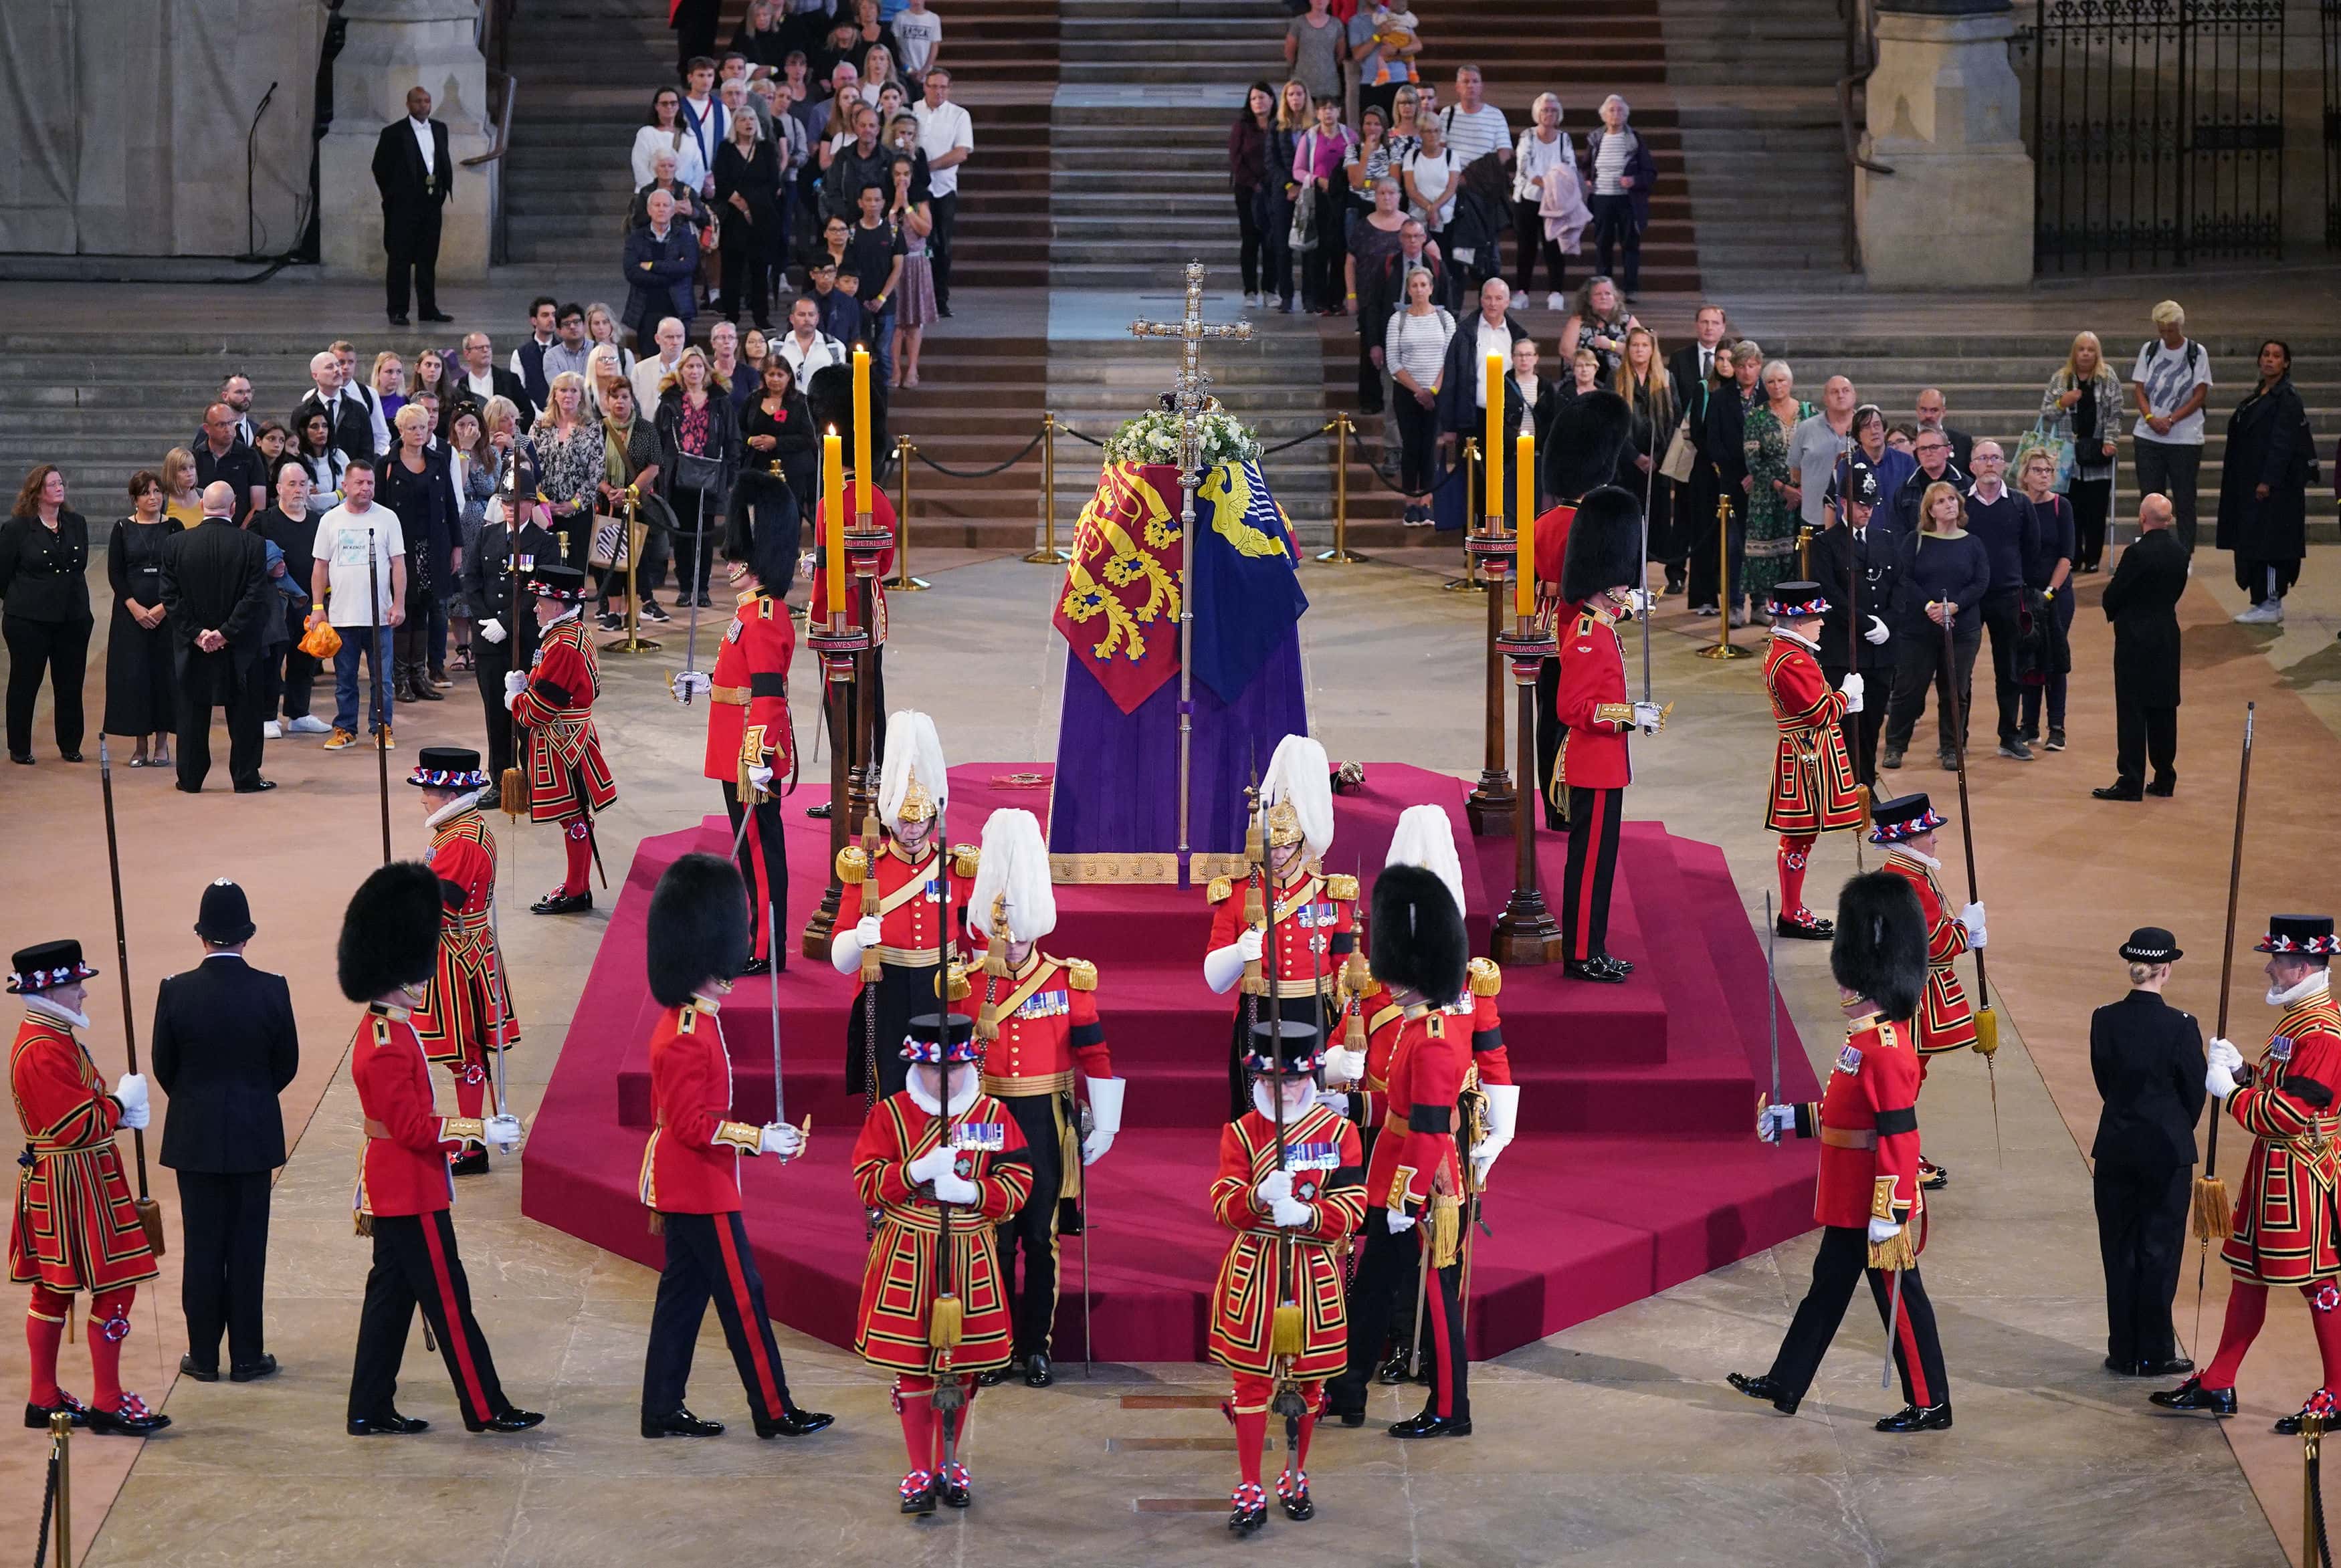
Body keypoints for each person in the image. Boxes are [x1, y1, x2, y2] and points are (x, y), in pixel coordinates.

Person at [1732, 870, 1952, 1433]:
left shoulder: (1884, 1048)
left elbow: (1900, 1135)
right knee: (1826, 1290)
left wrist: (1892, 1207)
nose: (1841, 987)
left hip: (1877, 1200)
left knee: (1901, 1302)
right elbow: (1845, 1117)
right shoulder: (1862, 1041)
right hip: (1854, 1193)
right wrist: (1791, 1120)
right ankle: (1786, 1381)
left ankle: (1931, 1402)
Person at [1329, 808, 1514, 1440]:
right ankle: (1348, 1387)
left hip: (1424, 1187)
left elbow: (1434, 1130)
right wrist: (1350, 1109)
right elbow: (1398, 1109)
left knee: (1438, 1301)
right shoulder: (1418, 1023)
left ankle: (1449, 1407)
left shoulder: (1434, 1036)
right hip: (1396, 1174)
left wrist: (1409, 1194)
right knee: (1374, 1285)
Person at [635, 852, 833, 1442]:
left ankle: (661, 1409)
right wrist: (758, 1139)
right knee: (744, 1298)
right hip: (699, 1185)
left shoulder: (691, 1019)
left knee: (682, 1298)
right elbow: (693, 1126)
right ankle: (773, 1410)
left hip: (691, 1180)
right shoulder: (687, 1036)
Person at [338, 863, 534, 1438]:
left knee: (390, 1305)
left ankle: (368, 1406)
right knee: (450, 1302)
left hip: (403, 1185)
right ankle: (486, 1406)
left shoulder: (390, 1028)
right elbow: (414, 1129)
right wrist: (480, 1130)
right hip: (409, 1187)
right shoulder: (387, 1043)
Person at [2154, 913, 2341, 1434]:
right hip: (2275, 1173)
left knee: (2318, 1282)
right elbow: (2280, 1085)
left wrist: (2231, 1093)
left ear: (2302, 965)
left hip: (2303, 1177)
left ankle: (2340, 1391)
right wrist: (2242, 1072)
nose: (2269, 972)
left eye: (2276, 962)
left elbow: (2287, 1113)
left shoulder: (2323, 1032)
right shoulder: (2297, 1019)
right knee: (2249, 1274)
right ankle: (2219, 1379)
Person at [955, 809, 1123, 1389]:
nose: (1015, 939)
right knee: (995, 1236)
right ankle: (997, 1343)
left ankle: (1037, 1346)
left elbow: (1094, 1054)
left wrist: (1105, 1123)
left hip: (1046, 1121)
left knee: (1039, 1236)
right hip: (991, 1121)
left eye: (1023, 928)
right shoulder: (967, 981)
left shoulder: (1066, 978)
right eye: (1006, 929)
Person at [850, 1009, 1031, 1513]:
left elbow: (1019, 1184)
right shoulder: (889, 1114)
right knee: (913, 1369)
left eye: (955, 1068)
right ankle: (919, 1467)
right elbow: (867, 1181)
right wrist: (913, 1172)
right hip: (909, 1255)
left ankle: (950, 1463)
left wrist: (974, 1190)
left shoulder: (994, 1115)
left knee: (965, 1365)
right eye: (936, 1069)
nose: (947, 1078)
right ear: (918, 1065)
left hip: (971, 1253)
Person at [8, 937, 167, 1435]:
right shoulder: (42, 1049)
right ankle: (107, 1400)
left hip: (68, 1180)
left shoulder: (53, 1036)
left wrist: (114, 1112)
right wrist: (120, 1106)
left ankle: (44, 1396)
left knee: (52, 1290)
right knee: (116, 1281)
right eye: (76, 984)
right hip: (76, 1185)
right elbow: (77, 1123)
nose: (83, 993)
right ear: (52, 991)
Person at [1215, 1016, 1362, 1532]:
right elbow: (1222, 1205)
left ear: (1311, 1078)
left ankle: (1295, 1473)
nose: (1284, 1089)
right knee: (1250, 1386)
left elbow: (1355, 1204)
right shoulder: (1240, 1131)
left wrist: (1313, 1214)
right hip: (1255, 1271)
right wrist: (1256, 1196)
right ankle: (1250, 1483)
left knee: (1312, 1383)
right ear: (1258, 1079)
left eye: (1294, 1079)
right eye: (1274, 1081)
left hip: (1313, 1271)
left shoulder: (1339, 1133)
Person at [150, 879, 297, 1383]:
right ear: (246, 935)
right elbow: (287, 1064)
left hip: (194, 1137)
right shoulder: (272, 987)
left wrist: (198, 1102)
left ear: (202, 935)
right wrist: (253, 1097)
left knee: (203, 1246)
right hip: (254, 1135)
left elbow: (164, 1066)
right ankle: (248, 1354)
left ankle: (204, 1355)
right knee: (247, 1247)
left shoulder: (175, 989)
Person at [1201, 736, 1359, 1115]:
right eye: (1273, 847)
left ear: (1301, 845)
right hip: (1262, 1009)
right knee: (1256, 1108)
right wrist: (1240, 952)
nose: (1279, 856)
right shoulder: (1237, 895)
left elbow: (1345, 967)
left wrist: (1349, 1020)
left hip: (1315, 1009)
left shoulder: (1329, 894)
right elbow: (1214, 979)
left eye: (1287, 848)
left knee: (1315, 1108)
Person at [670, 500, 797, 972]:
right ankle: (759, 938)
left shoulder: (763, 615)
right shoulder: (750, 611)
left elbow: (768, 692)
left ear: (754, 562)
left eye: (735, 557)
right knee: (751, 852)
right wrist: (706, 682)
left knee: (760, 853)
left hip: (750, 752)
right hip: (738, 747)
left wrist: (761, 754)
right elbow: (742, 680)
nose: (728, 565)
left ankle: (767, 946)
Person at [830, 712, 977, 1099]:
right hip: (887, 985)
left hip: (941, 988)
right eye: (903, 822)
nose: (911, 831)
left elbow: (978, 941)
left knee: (943, 1084)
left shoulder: (956, 868)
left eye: (919, 822)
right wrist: (857, 939)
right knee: (889, 1080)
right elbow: (839, 960)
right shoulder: (866, 870)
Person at [1552, 487, 1664, 982]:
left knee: (1601, 868)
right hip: (1592, 768)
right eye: (1621, 587)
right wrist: (1628, 715)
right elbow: (1572, 707)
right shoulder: (1584, 636)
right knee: (1589, 865)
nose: (1626, 593)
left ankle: (1592, 947)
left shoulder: (1600, 626)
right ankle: (1580, 954)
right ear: (1604, 585)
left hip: (1607, 768)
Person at [2090, 926, 2203, 1377]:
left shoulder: (2104, 1018)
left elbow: (2104, 1080)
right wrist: (2173, 1126)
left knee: (2118, 1251)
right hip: (2166, 1152)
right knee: (2159, 1251)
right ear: (2167, 969)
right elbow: (2194, 1092)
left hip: (2115, 1147)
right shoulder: (2181, 1025)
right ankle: (2155, 1350)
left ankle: (2122, 1349)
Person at [405, 746, 518, 1175]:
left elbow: (441, 906)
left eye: (430, 790)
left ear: (452, 793)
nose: (423, 798)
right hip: (466, 948)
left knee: (464, 1053)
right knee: (469, 1051)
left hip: (456, 955)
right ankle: (472, 1138)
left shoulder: (460, 840)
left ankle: (471, 1145)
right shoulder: (459, 828)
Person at [505, 563, 616, 915]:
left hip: (561, 742)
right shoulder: (571, 633)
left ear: (559, 604)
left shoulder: (562, 644)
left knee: (573, 816)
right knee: (577, 816)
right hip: (575, 735)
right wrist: (531, 681)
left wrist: (517, 700)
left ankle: (576, 889)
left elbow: (541, 709)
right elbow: (583, 687)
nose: (535, 608)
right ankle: (576, 886)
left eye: (541, 601)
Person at [1869, 792, 1985, 1116]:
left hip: (1895, 988)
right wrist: (1964, 928)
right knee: (1907, 1074)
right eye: (1927, 833)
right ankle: (1895, 1143)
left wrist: (1962, 930)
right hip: (1914, 998)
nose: (1935, 840)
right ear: (1908, 839)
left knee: (1907, 1073)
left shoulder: (1898, 874)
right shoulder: (1910, 883)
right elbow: (1937, 945)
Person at [1763, 582, 1866, 939]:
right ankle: (1790, 913)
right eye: (1816, 617)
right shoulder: (1791, 659)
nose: (1821, 623)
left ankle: (1793, 909)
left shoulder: (1788, 650)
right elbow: (1819, 713)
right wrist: (1845, 695)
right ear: (1798, 622)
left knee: (1800, 839)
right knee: (1798, 837)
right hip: (1806, 757)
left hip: (1805, 753)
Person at [158, 482, 272, 794]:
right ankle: (246, 777)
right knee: (245, 714)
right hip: (241, 647)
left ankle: (190, 779)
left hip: (193, 648)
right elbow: (255, 597)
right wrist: (226, 633)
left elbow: (169, 597)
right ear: (233, 507)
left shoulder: (175, 545)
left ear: (202, 507)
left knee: (192, 714)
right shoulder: (254, 545)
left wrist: (197, 634)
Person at [1881, 481, 1988, 772]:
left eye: (1952, 499)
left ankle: (1952, 748)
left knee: (1955, 690)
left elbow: (1980, 582)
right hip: (1918, 628)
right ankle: (1895, 746)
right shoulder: (1915, 541)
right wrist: (1930, 607)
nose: (1949, 504)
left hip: (1962, 629)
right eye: (1941, 502)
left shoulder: (1973, 543)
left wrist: (1954, 606)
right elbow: (1904, 579)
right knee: (1908, 689)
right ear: (1930, 510)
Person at [2095, 492, 2189, 801]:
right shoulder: (2180, 551)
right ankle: (2164, 777)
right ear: (2170, 519)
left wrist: (2114, 608)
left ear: (2142, 518)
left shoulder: (2136, 553)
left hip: (2136, 639)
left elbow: (2115, 594)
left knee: (2133, 708)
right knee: (2164, 706)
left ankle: (2131, 780)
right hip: (2167, 635)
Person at [1809, 459, 1898, 789]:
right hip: (1844, 651)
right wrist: (1864, 623)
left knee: (1873, 720)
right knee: (1846, 723)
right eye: (1862, 504)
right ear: (1845, 503)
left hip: (1878, 654)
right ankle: (1845, 786)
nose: (1868, 512)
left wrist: (1886, 623)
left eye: (1872, 505)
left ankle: (1866, 783)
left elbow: (1899, 587)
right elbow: (1829, 594)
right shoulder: (1826, 544)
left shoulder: (1885, 540)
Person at [308, 461, 405, 751]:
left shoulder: (388, 518)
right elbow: (320, 566)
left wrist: (398, 603)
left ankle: (382, 728)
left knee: (382, 680)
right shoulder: (330, 520)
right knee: (345, 679)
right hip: (342, 616)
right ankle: (345, 729)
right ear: (345, 486)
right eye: (360, 483)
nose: (366, 488)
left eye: (370, 483)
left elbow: (398, 564)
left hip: (380, 617)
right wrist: (317, 606)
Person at [0, 466, 93, 767]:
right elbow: (3, 574)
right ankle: (20, 747)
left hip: (72, 618)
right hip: (29, 620)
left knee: (70, 683)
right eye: (52, 484)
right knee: (25, 682)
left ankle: (70, 744)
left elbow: (79, 567)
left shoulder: (76, 524)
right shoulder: (17, 529)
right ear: (37, 491)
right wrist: (22, 601)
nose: (59, 487)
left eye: (61, 483)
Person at [2218, 339, 2311, 626]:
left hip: (2274, 489)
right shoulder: (2260, 395)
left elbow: (2282, 444)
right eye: (2266, 355)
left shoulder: (2287, 398)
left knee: (2271, 544)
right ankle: (2260, 600)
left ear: (2286, 363)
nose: (2270, 360)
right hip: (2249, 483)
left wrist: (2268, 481)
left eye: (2277, 356)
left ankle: (2271, 601)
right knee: (2253, 542)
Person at [1959, 440, 2040, 762]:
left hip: (2008, 596)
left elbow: (2032, 552)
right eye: (1983, 458)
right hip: (1968, 598)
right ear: (1972, 466)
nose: (1990, 463)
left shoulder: (2021, 504)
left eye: (1996, 458)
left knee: (2009, 670)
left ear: (2005, 464)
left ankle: (2010, 736)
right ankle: (1955, 739)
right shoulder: (1961, 505)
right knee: (1960, 669)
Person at [377, 405, 457, 706]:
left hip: (433, 546)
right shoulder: (387, 464)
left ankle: (418, 675)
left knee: (425, 609)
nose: (419, 433)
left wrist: (456, 546)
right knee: (404, 611)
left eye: (424, 427)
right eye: (413, 428)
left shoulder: (438, 460)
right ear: (401, 431)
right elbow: (380, 509)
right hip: (400, 549)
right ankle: (399, 679)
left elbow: (450, 504)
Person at [1434, 276, 1528, 525]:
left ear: (1508, 301)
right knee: (1474, 480)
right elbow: (1452, 378)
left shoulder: (1518, 335)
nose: (1493, 303)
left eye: (1499, 298)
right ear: (1481, 299)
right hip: (1473, 416)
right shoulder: (1465, 332)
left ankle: (1503, 532)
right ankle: (1474, 538)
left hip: (1506, 420)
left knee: (1504, 479)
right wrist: (1450, 426)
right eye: (1488, 297)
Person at [103, 472, 181, 768]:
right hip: (130, 616)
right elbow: (115, 572)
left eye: (158, 491)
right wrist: (134, 607)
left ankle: (162, 745)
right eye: (147, 492)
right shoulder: (122, 528)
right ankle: (140, 746)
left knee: (164, 675)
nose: (154, 497)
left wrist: (163, 608)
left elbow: (179, 571)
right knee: (135, 677)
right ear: (134, 498)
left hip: (166, 615)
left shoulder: (174, 527)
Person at [657, 346, 740, 608]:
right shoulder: (669, 401)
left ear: (706, 370)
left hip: (710, 475)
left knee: (704, 534)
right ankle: (685, 587)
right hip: (678, 477)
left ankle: (702, 588)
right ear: (680, 371)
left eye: (698, 366)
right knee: (682, 535)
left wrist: (730, 478)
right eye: (689, 367)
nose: (694, 371)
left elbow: (733, 440)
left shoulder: (720, 401)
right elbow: (660, 440)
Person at [2131, 300, 2214, 552]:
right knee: (2150, 497)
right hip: (2149, 436)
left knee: (2185, 497)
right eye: (2162, 330)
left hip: (2184, 439)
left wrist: (2171, 419)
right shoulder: (2150, 350)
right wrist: (2150, 418)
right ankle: (2150, 547)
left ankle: (2185, 551)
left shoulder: (2196, 352)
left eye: (2170, 330)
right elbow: (2139, 389)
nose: (2166, 335)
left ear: (2180, 326)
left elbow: (2200, 394)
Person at [2039, 331, 2124, 572]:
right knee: (2070, 510)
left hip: (2098, 452)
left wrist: (2110, 440)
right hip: (2068, 456)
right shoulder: (2060, 379)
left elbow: (2116, 412)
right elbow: (2047, 413)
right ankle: (2073, 556)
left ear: (2097, 353)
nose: (2086, 353)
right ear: (2074, 353)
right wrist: (2062, 403)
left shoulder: (2108, 378)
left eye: (2090, 349)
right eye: (2081, 349)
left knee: (2096, 511)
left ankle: (2094, 558)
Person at [372, 86, 455, 326]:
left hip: (431, 205)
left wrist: (442, 189)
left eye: (427, 101)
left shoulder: (440, 129)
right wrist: (394, 195)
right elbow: (380, 167)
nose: (423, 105)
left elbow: (441, 160)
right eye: (418, 101)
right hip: (403, 208)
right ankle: (398, 310)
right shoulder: (393, 133)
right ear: (408, 104)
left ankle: (428, 309)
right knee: (400, 259)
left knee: (428, 258)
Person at [256, 463, 329, 738]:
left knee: (305, 658)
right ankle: (266, 716)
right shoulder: (265, 521)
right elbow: (252, 557)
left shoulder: (318, 522)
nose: (298, 490)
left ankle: (299, 713)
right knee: (272, 660)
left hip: (309, 602)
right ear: (278, 489)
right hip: (274, 604)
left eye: (302, 484)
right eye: (292, 484)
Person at [2015, 447, 2076, 751]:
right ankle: (2028, 725)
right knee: (2027, 658)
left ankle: (2057, 726)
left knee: (2055, 659)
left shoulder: (2061, 507)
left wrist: (2049, 592)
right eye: (2037, 470)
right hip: (2024, 595)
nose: (2043, 476)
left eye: (2048, 471)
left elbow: (2067, 556)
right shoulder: (2016, 505)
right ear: (2024, 475)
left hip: (2057, 595)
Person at [1686, 342, 1752, 620]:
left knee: (1740, 541)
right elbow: (1702, 433)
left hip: (1740, 478)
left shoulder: (1753, 395)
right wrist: (1719, 462)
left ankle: (1749, 601)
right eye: (1721, 359)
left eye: (1731, 359)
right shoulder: (1708, 390)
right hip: (1710, 473)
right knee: (1712, 536)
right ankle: (1709, 597)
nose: (1726, 364)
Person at [593, 382, 665, 632]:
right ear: (607, 401)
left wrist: (630, 491)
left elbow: (654, 465)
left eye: (625, 396)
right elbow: (591, 465)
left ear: (632, 399)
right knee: (610, 558)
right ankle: (612, 612)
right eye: (615, 397)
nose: (620, 402)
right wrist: (609, 491)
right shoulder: (599, 429)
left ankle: (630, 613)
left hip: (637, 502)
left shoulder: (646, 429)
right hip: (607, 502)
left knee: (635, 559)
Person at [1382, 265, 1451, 525]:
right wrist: (1418, 390)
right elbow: (1393, 361)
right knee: (1410, 447)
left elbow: (1449, 358)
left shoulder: (1446, 320)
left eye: (1424, 285)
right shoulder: (1397, 320)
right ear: (1409, 290)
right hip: (1406, 392)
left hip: (1436, 392)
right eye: (1415, 286)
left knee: (1429, 448)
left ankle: (1427, 502)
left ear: (1431, 288)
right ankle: (1410, 503)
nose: (1420, 290)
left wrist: (1432, 390)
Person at [1742, 360, 1813, 610]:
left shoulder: (1808, 412)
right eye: (1771, 381)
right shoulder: (1756, 416)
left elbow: (1816, 453)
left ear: (1790, 382)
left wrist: (1802, 488)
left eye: (1781, 380)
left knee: (1801, 555)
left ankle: (1801, 612)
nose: (1777, 386)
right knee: (1772, 561)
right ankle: (1776, 616)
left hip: (1805, 496)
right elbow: (1753, 461)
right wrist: (1784, 489)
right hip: (1768, 498)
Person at [715, 108, 785, 330]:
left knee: (759, 268)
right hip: (734, 218)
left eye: (752, 119)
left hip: (761, 217)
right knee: (732, 268)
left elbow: (773, 182)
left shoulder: (766, 148)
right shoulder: (726, 148)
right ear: (735, 124)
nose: (748, 123)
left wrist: (751, 206)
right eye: (743, 119)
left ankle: (761, 316)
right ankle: (731, 315)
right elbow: (722, 180)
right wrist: (740, 204)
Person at [1583, 95, 1655, 300]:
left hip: (1627, 201)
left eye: (1620, 111)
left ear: (1626, 115)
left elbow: (1650, 173)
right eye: (1612, 110)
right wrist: (1587, 180)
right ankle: (1602, 292)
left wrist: (1634, 181)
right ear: (1604, 115)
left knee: (1630, 245)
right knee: (1603, 244)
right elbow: (1585, 167)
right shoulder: (1596, 139)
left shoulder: (1635, 140)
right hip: (1602, 199)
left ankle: (1631, 289)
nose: (1616, 114)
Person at [911, 70, 971, 317]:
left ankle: (940, 297)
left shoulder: (959, 114)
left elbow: (962, 152)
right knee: (917, 245)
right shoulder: (910, 110)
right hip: (916, 189)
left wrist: (928, 167)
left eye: (944, 87)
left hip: (944, 188)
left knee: (943, 245)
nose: (939, 92)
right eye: (934, 86)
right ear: (925, 87)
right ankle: (917, 298)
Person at [1292, 96, 1356, 315]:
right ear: (1317, 113)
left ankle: (1337, 300)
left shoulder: (1350, 137)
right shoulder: (1309, 137)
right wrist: (1318, 180)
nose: (1328, 113)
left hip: (1342, 198)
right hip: (1317, 197)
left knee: (1340, 249)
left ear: (1339, 111)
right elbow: (1297, 170)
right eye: (1323, 109)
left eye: (1332, 108)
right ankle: (1318, 300)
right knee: (1318, 250)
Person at [844, 183, 907, 382]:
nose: (873, 204)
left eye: (877, 200)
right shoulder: (852, 233)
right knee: (861, 347)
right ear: (860, 203)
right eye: (868, 200)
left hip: (885, 301)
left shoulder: (894, 231)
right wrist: (859, 298)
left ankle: (884, 391)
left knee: (883, 349)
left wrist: (881, 297)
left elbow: (898, 268)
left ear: (883, 203)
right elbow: (849, 268)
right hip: (859, 301)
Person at [624, 192, 702, 352]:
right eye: (657, 205)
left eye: (666, 205)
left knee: (680, 363)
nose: (661, 209)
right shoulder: (636, 238)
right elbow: (632, 272)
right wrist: (672, 273)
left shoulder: (686, 237)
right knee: (649, 362)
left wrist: (652, 266)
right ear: (649, 210)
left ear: (673, 211)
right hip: (646, 310)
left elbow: (688, 267)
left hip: (678, 307)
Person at [885, 154, 936, 386]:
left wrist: (907, 206)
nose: (902, 179)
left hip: (916, 264)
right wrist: (895, 206)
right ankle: (895, 369)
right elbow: (885, 231)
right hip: (894, 265)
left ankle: (912, 369)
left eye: (906, 174)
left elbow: (925, 230)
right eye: (897, 174)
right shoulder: (884, 198)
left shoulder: (921, 199)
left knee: (914, 321)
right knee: (895, 322)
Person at [1263, 80, 1311, 313]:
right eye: (1291, 94)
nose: (1295, 98)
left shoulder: (1314, 127)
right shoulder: (1276, 126)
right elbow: (1271, 162)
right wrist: (1290, 185)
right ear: (1285, 98)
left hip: (1309, 191)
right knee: (1283, 246)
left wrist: (1304, 185)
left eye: (1299, 94)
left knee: (1310, 246)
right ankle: (1287, 296)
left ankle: (1311, 296)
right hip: (1283, 193)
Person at [1229, 83, 1274, 307]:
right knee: (1250, 240)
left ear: (1272, 100)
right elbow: (1236, 160)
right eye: (1255, 98)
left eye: (1263, 97)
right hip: (1247, 190)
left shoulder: (1278, 125)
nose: (1259, 102)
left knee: (1272, 241)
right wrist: (1254, 183)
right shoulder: (1242, 126)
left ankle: (1270, 289)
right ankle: (1250, 290)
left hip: (1273, 190)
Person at [193, 403, 268, 525]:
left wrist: (242, 534)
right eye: (221, 425)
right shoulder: (195, 457)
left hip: (241, 532)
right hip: (201, 531)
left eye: (231, 423)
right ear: (207, 429)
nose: (228, 429)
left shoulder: (250, 456)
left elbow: (258, 506)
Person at [635, 86, 712, 193]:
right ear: (657, 106)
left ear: (679, 106)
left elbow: (698, 168)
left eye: (673, 103)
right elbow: (640, 168)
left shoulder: (689, 134)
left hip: (684, 197)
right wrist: (658, 196)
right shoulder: (646, 133)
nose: (669, 107)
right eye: (664, 103)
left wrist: (690, 195)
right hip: (654, 201)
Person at [1285, 0, 1346, 103]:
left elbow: (1341, 53)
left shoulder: (1336, 24)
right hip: (1302, 86)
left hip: (1329, 86)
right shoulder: (1298, 23)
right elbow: (1289, 52)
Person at [293, 409, 350, 508]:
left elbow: (354, 487)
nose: (321, 431)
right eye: (315, 427)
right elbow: (315, 503)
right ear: (303, 431)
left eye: (325, 426)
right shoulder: (298, 462)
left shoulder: (339, 456)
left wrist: (326, 497)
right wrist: (342, 492)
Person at [1911, 388, 1972, 475]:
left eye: (1934, 410)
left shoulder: (1962, 441)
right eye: (1924, 410)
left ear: (1943, 411)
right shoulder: (1905, 440)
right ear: (1917, 410)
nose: (1928, 415)